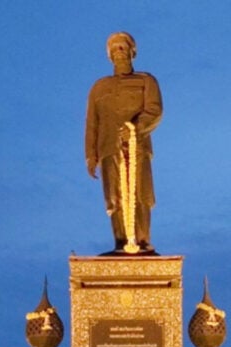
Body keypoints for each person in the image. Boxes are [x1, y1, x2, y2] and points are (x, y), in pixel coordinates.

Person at [85, 31, 163, 255]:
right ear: (109, 55)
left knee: (140, 194)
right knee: (114, 198)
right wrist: (91, 155)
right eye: (115, 48)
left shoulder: (146, 81)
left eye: (123, 47)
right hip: (109, 148)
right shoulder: (99, 88)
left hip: (137, 146)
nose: (119, 51)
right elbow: (92, 122)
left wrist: (136, 128)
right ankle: (121, 243)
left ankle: (142, 242)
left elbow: (155, 110)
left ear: (132, 52)